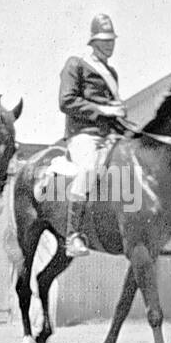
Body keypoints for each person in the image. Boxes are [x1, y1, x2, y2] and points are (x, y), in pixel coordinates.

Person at [59, 13, 126, 258]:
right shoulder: (75, 64)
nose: (109, 44)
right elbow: (66, 101)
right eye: (104, 40)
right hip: (83, 134)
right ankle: (72, 235)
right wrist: (103, 110)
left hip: (109, 135)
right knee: (88, 169)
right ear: (93, 41)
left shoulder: (112, 73)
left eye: (111, 40)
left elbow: (112, 111)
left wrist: (119, 116)